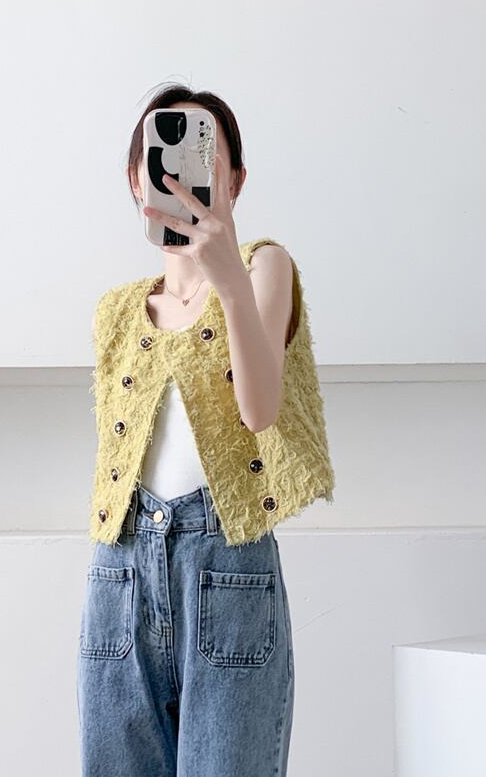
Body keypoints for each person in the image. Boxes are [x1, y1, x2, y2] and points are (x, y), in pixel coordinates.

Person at [77, 83, 335, 777]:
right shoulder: (116, 311)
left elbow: (260, 411)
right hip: (119, 571)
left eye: (203, 158)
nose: (179, 175)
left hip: (227, 568)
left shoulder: (263, 266)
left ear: (235, 180)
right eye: (160, 157)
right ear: (136, 179)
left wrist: (227, 279)